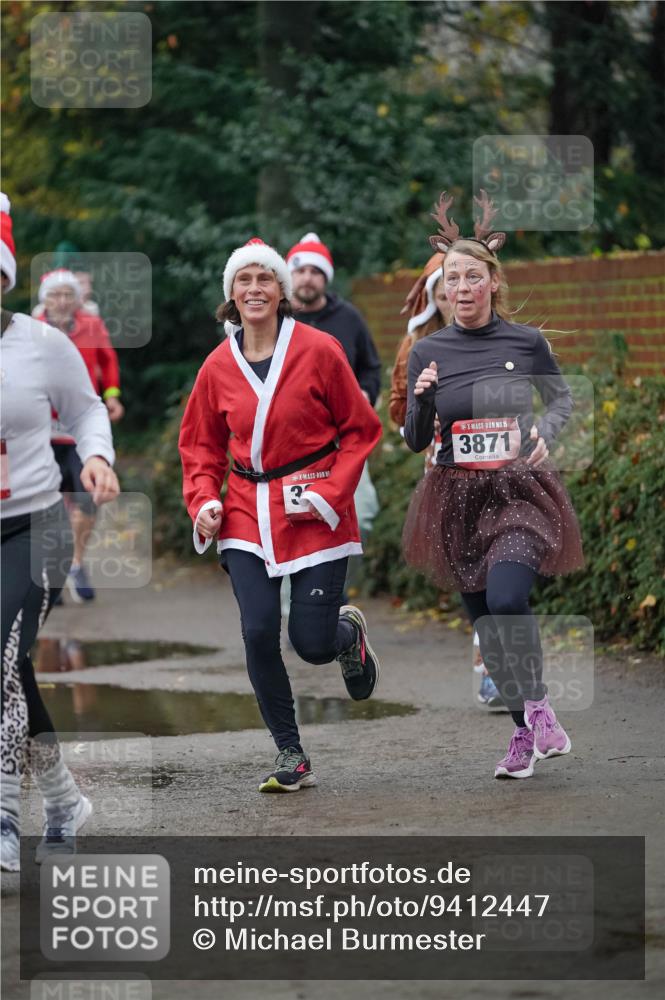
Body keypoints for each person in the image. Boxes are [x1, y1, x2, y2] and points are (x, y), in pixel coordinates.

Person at [179, 238, 383, 793]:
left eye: (264, 279)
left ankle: (346, 635)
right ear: (231, 295)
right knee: (258, 630)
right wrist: (204, 501)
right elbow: (199, 446)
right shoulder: (217, 366)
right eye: (243, 281)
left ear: (281, 290)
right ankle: (290, 751)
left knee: (310, 643)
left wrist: (333, 491)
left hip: (315, 507)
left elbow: (361, 429)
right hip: (246, 511)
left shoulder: (319, 350)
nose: (254, 290)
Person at [403, 190, 584, 779]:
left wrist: (546, 434)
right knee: (486, 626)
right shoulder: (428, 352)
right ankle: (522, 735)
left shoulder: (525, 342)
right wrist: (423, 398)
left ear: (492, 282)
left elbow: (561, 400)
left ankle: (539, 707)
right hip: (456, 499)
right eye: (452, 278)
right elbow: (414, 438)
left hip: (519, 490)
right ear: (444, 289)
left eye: (472, 276)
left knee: (507, 600)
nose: (462, 287)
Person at [0, 193, 119, 871]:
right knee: (13, 668)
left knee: (1, 661)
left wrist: (96, 456)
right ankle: (64, 800)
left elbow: (88, 411)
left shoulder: (42, 344)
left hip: (34, 526)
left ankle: (4, 818)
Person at [391, 255, 503, 709]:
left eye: (459, 285)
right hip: (445, 471)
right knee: (472, 571)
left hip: (501, 470)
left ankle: (503, 665)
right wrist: (424, 408)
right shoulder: (418, 345)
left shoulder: (494, 336)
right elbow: (400, 411)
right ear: (432, 298)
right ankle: (491, 668)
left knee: (502, 570)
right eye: (442, 292)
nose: (452, 296)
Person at [33, 268, 124, 602]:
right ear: (44, 299)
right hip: (42, 431)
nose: (61, 301)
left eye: (67, 295)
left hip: (79, 428)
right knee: (48, 505)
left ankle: (75, 562)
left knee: (87, 499)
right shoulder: (30, 329)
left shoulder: (91, 325)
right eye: (54, 295)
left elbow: (108, 361)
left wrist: (112, 396)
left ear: (76, 299)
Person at [286, 232, 381, 548]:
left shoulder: (348, 318)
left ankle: (342, 578)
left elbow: (371, 366)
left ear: (325, 277)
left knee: (361, 514)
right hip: (292, 440)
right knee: (294, 521)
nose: (307, 278)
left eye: (315, 271)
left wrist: (365, 394)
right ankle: (297, 583)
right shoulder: (277, 320)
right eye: (300, 270)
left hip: (344, 436)